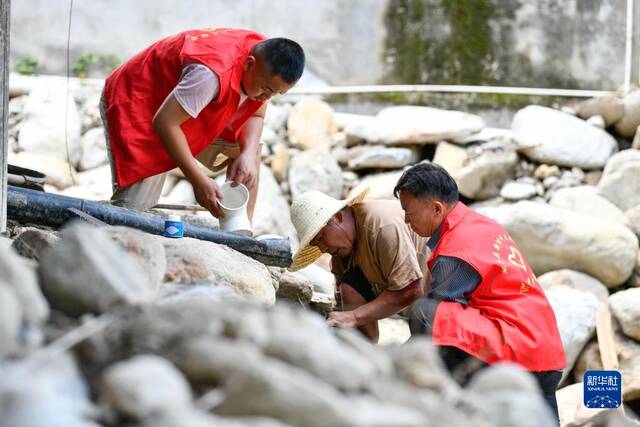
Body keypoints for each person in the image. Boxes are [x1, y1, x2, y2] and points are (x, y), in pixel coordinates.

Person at [394, 162, 566, 421]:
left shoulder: (455, 252)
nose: (406, 220)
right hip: (547, 352)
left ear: (436, 209)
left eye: (408, 211)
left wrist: (395, 366)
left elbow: (437, 324)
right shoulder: (481, 225)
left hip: (518, 353)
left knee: (426, 313)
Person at [100, 28, 305, 220]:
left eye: (276, 93)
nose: (266, 98)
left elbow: (256, 115)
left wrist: (248, 153)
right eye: (265, 89)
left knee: (249, 155)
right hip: (140, 102)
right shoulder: (210, 75)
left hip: (190, 106)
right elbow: (165, 123)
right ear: (249, 64)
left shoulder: (266, 63)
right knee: (133, 214)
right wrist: (198, 180)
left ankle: (238, 228)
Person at [289, 189, 430, 343]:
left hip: (442, 295)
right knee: (349, 286)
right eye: (317, 245)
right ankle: (366, 348)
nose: (323, 249)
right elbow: (342, 307)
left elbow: (411, 290)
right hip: (415, 303)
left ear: (337, 217)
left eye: (322, 238)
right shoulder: (341, 250)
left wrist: (354, 316)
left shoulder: (382, 226)